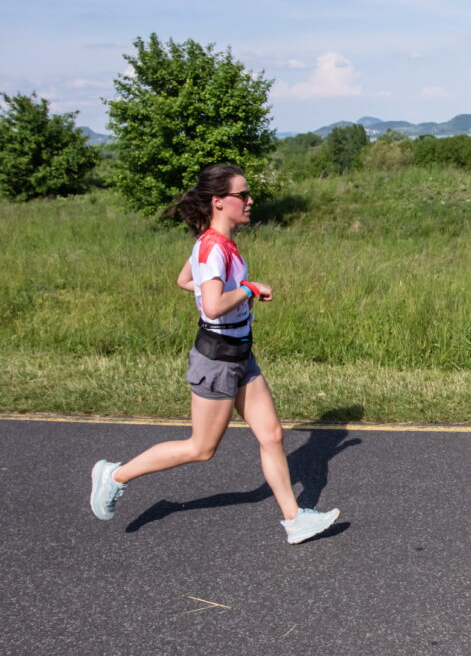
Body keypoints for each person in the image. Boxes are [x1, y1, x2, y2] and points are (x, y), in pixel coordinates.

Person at [90, 164, 340, 543]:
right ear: (219, 201)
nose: (250, 200)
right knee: (201, 448)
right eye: (243, 195)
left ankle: (294, 520)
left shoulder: (216, 243)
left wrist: (231, 289)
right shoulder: (212, 248)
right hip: (218, 359)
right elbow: (211, 306)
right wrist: (249, 288)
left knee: (271, 434)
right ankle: (115, 475)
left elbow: (183, 281)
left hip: (241, 354)